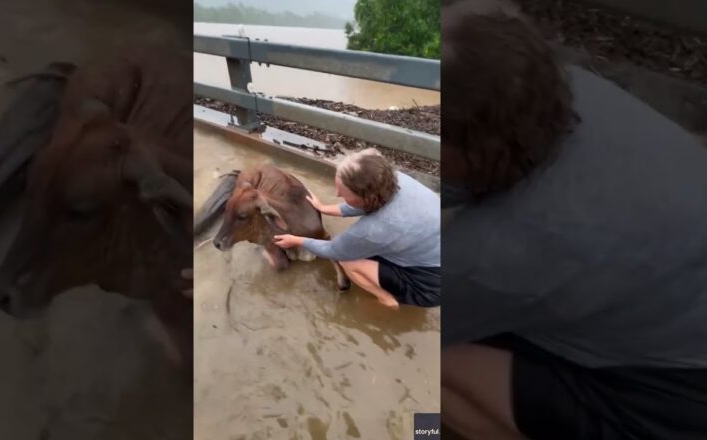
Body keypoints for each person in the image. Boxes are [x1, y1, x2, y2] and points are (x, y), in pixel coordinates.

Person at [441, 0, 707, 439]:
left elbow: (407, 299)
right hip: (670, 284)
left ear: (466, 151)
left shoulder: (492, 254)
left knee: (434, 357)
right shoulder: (572, 90)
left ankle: (425, 431)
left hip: (677, 392)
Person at [273, 148, 440, 309]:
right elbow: (366, 204)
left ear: (365, 197)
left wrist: (296, 240)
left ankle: (386, 300)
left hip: (429, 286)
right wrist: (324, 208)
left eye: (343, 191)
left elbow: (333, 250)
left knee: (348, 260)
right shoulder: (394, 179)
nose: (337, 193)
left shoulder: (374, 230)